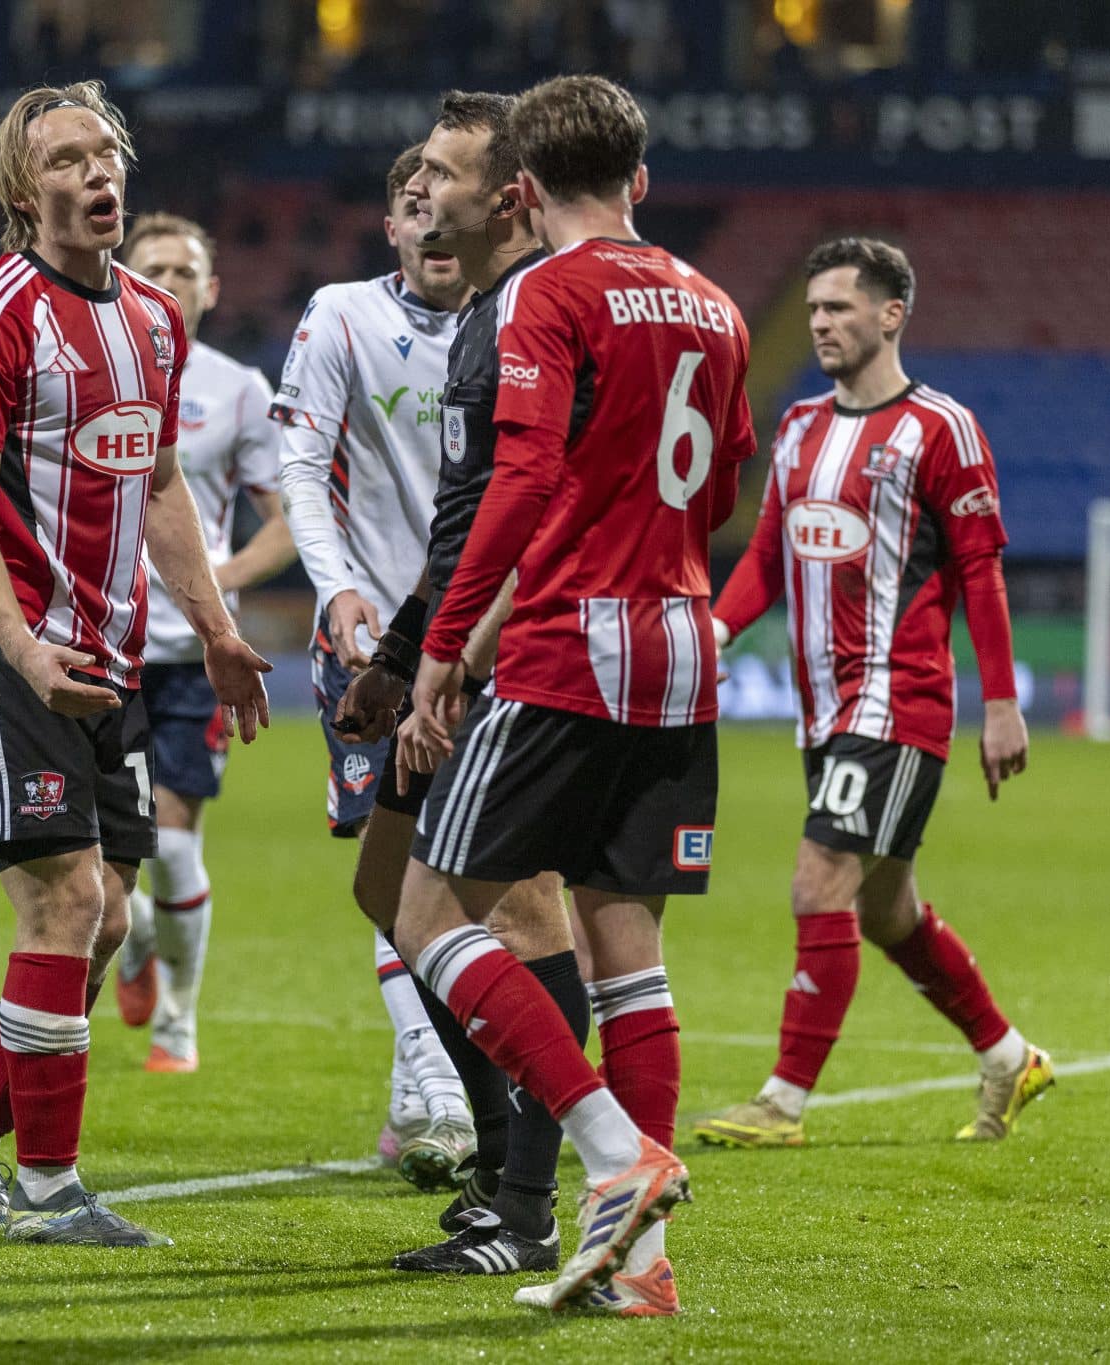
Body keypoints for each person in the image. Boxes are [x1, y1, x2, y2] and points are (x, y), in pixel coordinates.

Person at [393, 74, 756, 1316]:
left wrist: (446, 644)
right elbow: (721, 489)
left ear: (524, 193)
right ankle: (642, 1272)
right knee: (628, 954)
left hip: (570, 642)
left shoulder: (543, 292)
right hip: (683, 636)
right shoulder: (713, 302)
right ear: (640, 181)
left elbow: (523, 477)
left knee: (428, 912)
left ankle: (612, 1159)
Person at [0, 82, 272, 1248]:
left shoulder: (152, 325)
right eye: (67, 158)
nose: (97, 173)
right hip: (4, 652)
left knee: (110, 918)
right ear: (25, 192)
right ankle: (51, 1191)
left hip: (109, 663)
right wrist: (21, 647)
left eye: (107, 152)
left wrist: (214, 629)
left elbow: (159, 486)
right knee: (65, 901)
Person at [692, 237, 1052, 1156]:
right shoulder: (804, 426)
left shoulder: (941, 429)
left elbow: (980, 571)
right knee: (887, 912)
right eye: (812, 308)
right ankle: (1010, 1056)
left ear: (891, 314)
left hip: (897, 704)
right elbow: (769, 557)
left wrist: (1002, 702)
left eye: (840, 308)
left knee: (820, 881)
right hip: (825, 710)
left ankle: (782, 1099)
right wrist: (716, 634)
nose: (820, 322)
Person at [335, 90, 581, 1277]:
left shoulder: (529, 312)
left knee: (520, 914)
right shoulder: (488, 313)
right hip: (458, 644)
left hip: (512, 654)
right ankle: (501, 1165)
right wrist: (396, 663)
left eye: (445, 168)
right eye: (418, 169)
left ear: (510, 193)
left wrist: (443, 663)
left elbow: (510, 514)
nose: (422, 186)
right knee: (388, 887)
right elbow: (462, 515)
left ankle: (527, 1204)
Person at [274, 144, 476, 1185]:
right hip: (368, 657)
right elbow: (300, 463)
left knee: (486, 880)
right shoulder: (341, 314)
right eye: (411, 204)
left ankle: (431, 1080)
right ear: (389, 226)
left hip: (484, 646)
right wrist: (334, 586)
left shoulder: (521, 320)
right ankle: (441, 1095)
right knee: (391, 870)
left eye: (445, 201)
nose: (430, 220)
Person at [110, 212, 295, 1071]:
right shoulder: (92, 367)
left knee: (174, 843)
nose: (172, 282)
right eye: (155, 267)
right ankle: (138, 935)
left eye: (188, 271)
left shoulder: (238, 390)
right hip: (97, 644)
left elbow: (287, 524)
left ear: (211, 291)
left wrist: (219, 584)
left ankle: (178, 1018)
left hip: (187, 662)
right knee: (92, 857)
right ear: (125, 272)